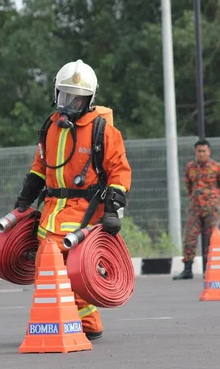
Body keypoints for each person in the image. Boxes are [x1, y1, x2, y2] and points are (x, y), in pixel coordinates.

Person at [12, 59, 132, 340]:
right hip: (51, 215)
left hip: (84, 216)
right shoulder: (50, 127)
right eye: (66, 97)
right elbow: (39, 167)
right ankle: (79, 322)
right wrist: (25, 199)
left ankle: (79, 323)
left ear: (89, 100)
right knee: (55, 274)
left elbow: (119, 172)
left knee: (71, 274)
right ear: (56, 94)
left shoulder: (103, 131)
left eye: (77, 99)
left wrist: (113, 211)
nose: (70, 104)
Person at [173, 139, 220, 280]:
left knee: (211, 239)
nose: (201, 154)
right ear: (195, 152)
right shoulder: (190, 168)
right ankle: (187, 268)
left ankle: (209, 269)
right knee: (190, 238)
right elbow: (189, 186)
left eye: (204, 151)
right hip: (195, 208)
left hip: (211, 209)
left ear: (209, 152)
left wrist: (216, 201)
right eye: (199, 151)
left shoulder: (217, 167)